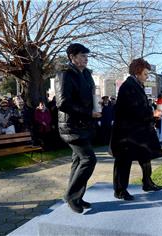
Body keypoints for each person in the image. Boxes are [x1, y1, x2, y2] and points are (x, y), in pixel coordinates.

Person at [55, 43, 102, 213]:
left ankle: (77, 198)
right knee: (89, 159)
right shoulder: (64, 74)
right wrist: (89, 113)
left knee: (78, 161)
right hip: (71, 126)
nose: (86, 58)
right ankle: (70, 195)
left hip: (84, 125)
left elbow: (91, 96)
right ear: (72, 57)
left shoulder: (87, 74)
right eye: (82, 55)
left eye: (86, 55)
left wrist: (97, 107)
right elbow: (62, 103)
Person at [110, 58, 162, 201]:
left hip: (139, 130)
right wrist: (152, 114)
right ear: (137, 72)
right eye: (145, 74)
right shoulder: (128, 86)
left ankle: (147, 182)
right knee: (123, 162)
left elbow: (142, 108)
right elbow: (134, 109)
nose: (147, 77)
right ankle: (120, 190)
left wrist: (153, 115)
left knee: (146, 157)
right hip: (127, 133)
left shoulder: (137, 85)